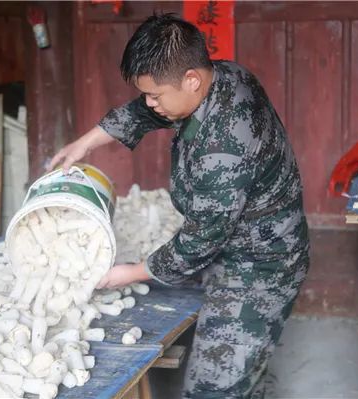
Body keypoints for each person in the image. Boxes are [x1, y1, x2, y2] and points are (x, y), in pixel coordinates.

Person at [49, 13, 310, 399]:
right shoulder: (219, 76)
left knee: (212, 388)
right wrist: (87, 142)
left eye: (156, 95)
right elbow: (143, 110)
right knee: (239, 376)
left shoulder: (224, 141)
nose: (151, 104)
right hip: (232, 244)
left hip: (261, 265)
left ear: (191, 81)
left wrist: (134, 272)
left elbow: (200, 241)